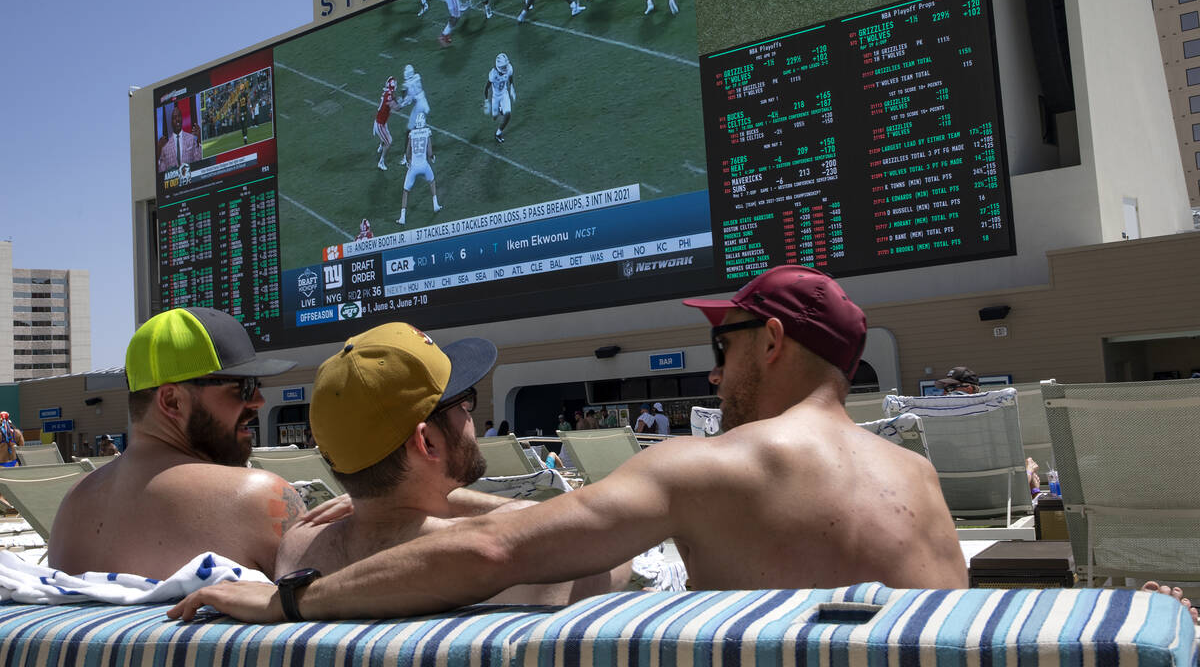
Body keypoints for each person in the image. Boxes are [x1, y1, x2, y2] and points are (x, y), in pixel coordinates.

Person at [169, 265, 966, 623]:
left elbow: (492, 553)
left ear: (773, 343)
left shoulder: (701, 470)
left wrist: (288, 601)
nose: (715, 374)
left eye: (723, 345)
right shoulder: (921, 479)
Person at [271, 323, 626, 607]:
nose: (471, 418)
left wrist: (374, 505)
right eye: (463, 404)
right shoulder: (509, 559)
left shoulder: (299, 549)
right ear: (427, 442)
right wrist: (479, 502)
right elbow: (617, 551)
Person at [49, 307, 304, 579]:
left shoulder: (73, 506)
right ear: (172, 400)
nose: (258, 401)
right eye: (242, 387)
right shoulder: (259, 496)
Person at [395, 112, 442, 226]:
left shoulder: (412, 133)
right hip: (424, 165)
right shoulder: (427, 132)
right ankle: (435, 204)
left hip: (414, 166)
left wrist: (408, 161)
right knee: (432, 181)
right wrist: (432, 157)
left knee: (406, 191)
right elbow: (429, 151)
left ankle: (402, 217)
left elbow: (407, 152)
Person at [156, 106, 203, 172]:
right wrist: (158, 150)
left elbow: (199, 161)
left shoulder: (191, 139)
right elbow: (161, 171)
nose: (177, 119)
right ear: (171, 122)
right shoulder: (166, 147)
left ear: (182, 119)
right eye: (174, 117)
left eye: (179, 116)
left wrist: (200, 139)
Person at [483, 52, 515, 144]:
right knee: (494, 117)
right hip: (495, 96)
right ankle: (500, 109)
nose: (505, 68)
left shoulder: (509, 68)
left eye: (506, 65)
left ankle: (498, 133)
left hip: (504, 94)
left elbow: (510, 77)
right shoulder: (493, 74)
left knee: (508, 114)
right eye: (503, 66)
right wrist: (486, 101)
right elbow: (486, 88)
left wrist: (512, 87)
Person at [373, 76, 402, 171]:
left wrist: (398, 100)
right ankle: (381, 162)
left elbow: (393, 97)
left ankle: (381, 146)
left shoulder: (387, 92)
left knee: (386, 136)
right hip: (380, 124)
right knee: (389, 142)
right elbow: (397, 108)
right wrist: (403, 102)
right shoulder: (389, 96)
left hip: (382, 122)